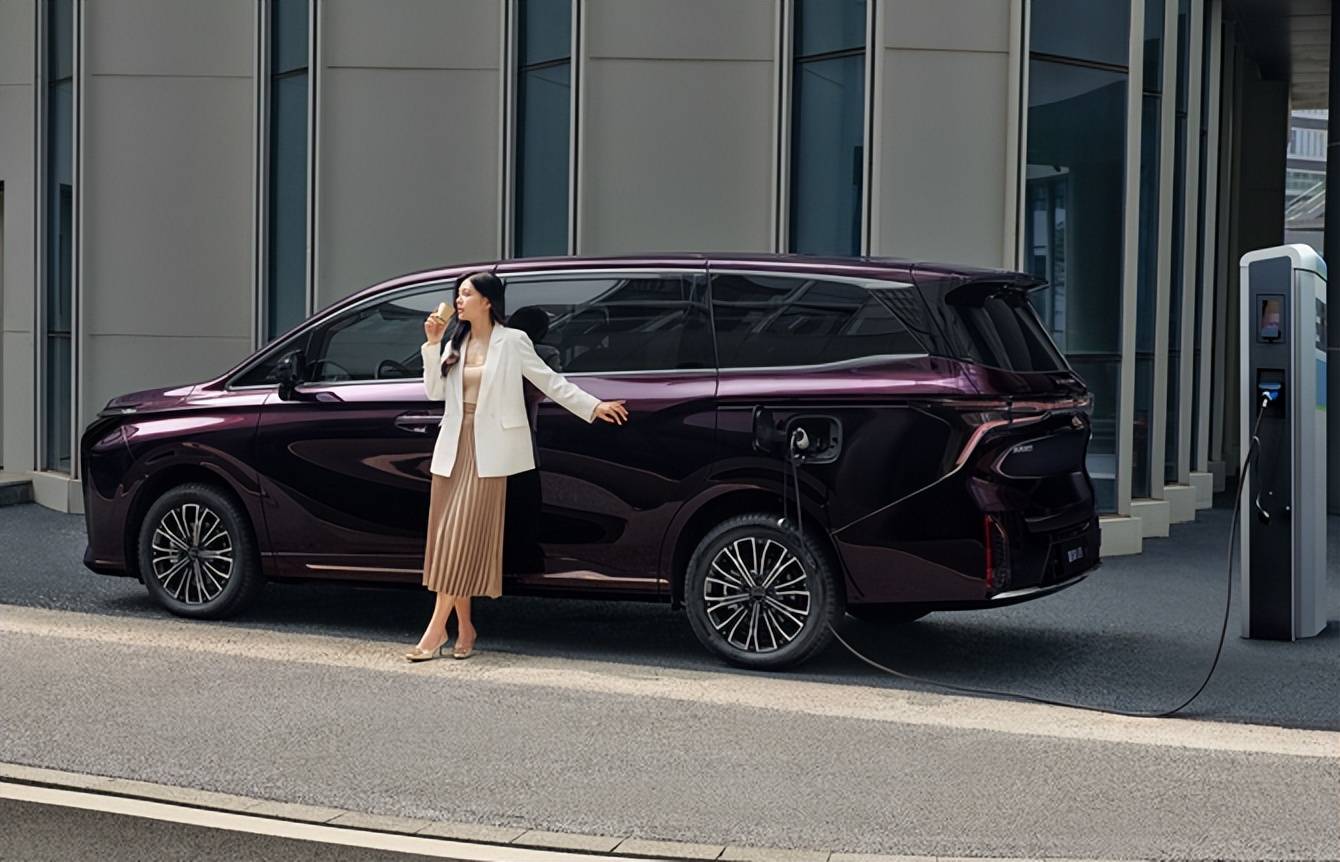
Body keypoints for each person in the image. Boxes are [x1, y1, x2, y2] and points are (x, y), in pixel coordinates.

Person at [406, 272, 628, 661]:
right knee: (450, 540)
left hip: (490, 452)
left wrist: (594, 406)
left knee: (462, 539)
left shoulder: (513, 341)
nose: (459, 300)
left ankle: (435, 630)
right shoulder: (454, 342)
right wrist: (432, 343)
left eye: (467, 294)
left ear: (488, 301)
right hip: (454, 450)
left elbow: (551, 381)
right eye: (458, 294)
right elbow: (434, 391)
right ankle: (466, 629)